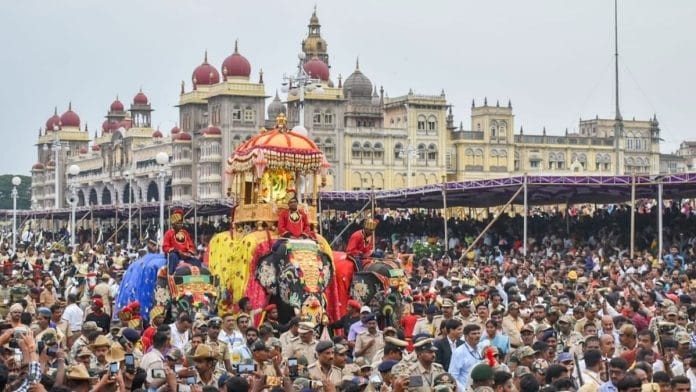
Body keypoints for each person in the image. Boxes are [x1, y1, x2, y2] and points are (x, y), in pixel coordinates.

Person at [163, 209, 201, 274]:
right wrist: (177, 251)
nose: (180, 224)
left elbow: (191, 246)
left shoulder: (185, 233)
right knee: (173, 256)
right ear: (173, 223)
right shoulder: (168, 233)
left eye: (181, 223)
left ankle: (199, 279)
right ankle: (170, 276)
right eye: (178, 223)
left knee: (197, 262)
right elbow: (165, 247)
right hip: (175, 254)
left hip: (186, 256)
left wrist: (189, 253)